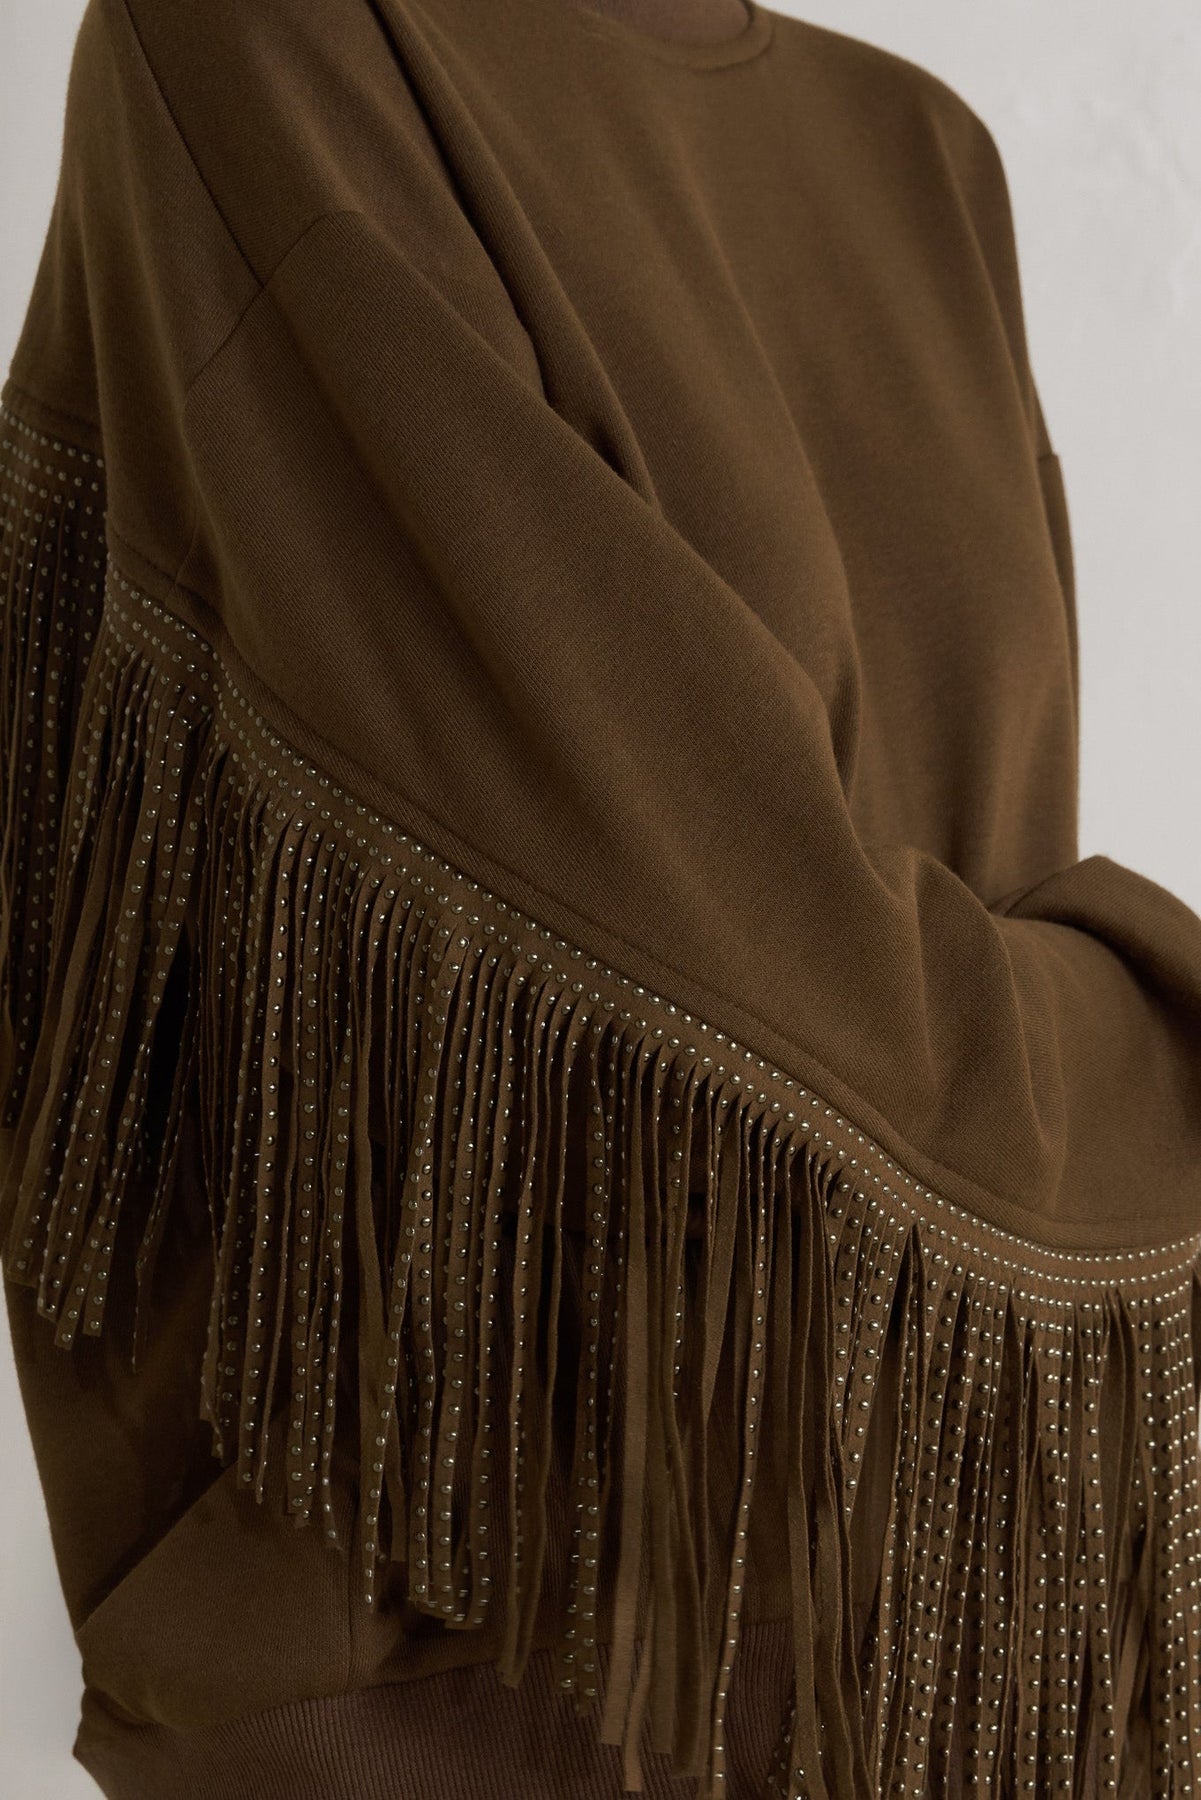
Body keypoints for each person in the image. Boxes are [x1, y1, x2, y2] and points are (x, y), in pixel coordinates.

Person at [3, 1, 1200, 1795]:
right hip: (496, 1674)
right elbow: (668, 901)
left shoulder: (927, 154)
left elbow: (969, 838)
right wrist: (1150, 1068)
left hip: (957, 1638)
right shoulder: (264, 40)